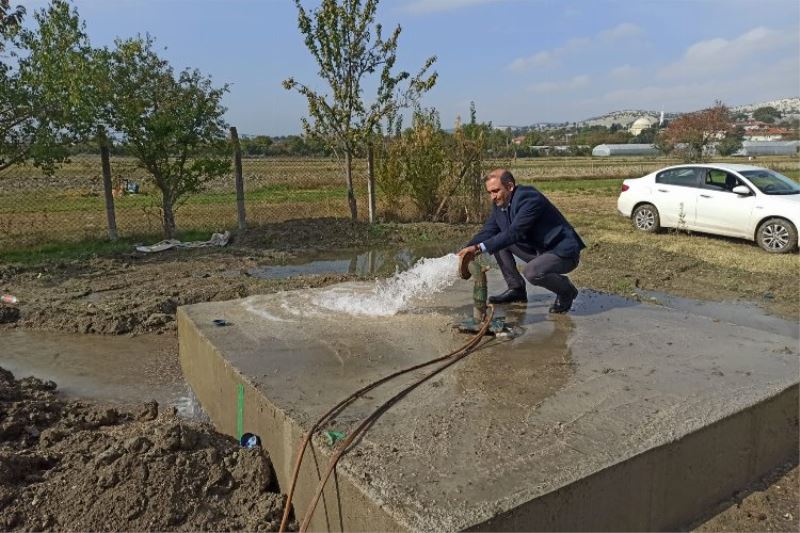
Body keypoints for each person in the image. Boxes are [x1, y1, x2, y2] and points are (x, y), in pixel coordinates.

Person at [457, 168, 585, 313]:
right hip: (538, 251)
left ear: (510, 186)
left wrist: (478, 249)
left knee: (532, 272)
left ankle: (566, 290)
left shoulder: (529, 198)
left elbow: (515, 233)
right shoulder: (500, 204)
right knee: (497, 242)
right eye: (489, 193)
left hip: (562, 252)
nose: (492, 197)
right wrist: (467, 250)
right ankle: (516, 288)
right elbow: (489, 231)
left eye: (496, 191)